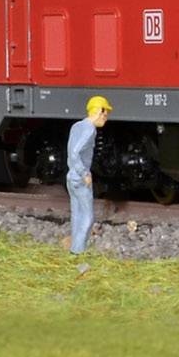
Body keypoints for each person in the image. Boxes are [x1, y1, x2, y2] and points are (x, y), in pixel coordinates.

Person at [66, 96, 111, 254]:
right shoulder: (90, 129)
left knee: (76, 213)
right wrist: (84, 173)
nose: (106, 117)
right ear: (99, 111)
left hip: (71, 177)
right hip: (79, 177)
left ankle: (74, 249)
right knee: (88, 216)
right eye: (105, 113)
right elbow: (75, 152)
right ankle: (78, 251)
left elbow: (70, 151)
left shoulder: (77, 126)